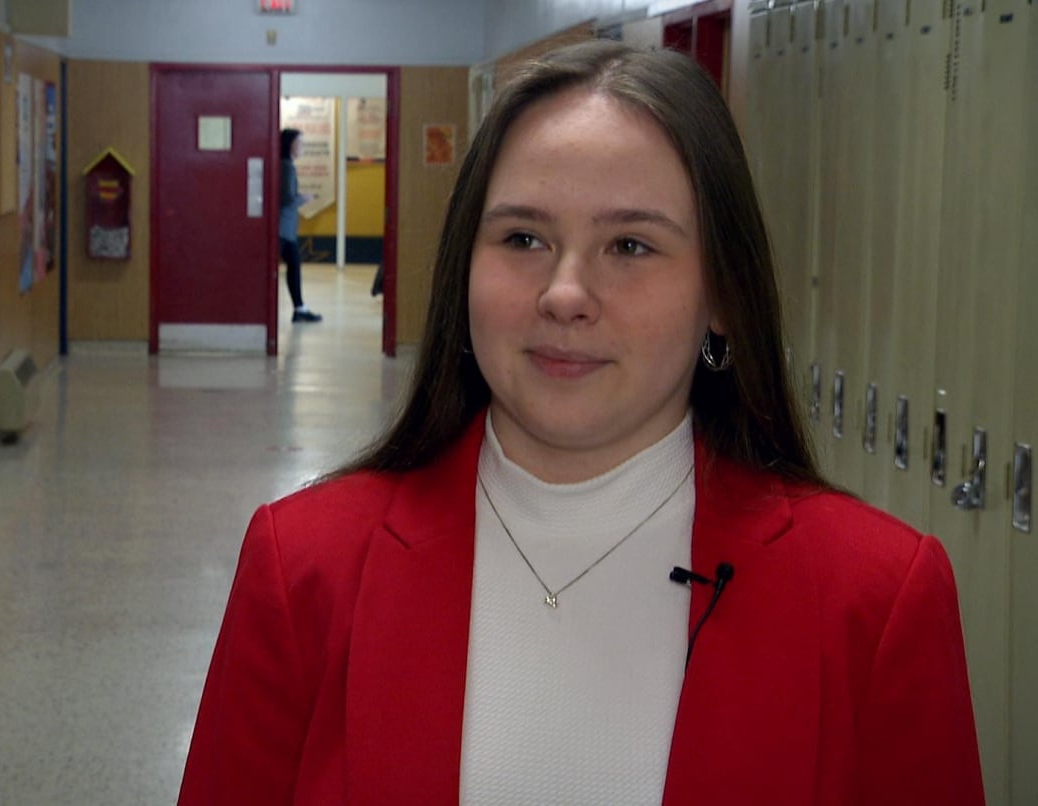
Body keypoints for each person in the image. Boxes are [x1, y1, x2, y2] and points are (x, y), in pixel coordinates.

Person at [180, 42, 983, 805]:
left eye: (630, 246)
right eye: (523, 238)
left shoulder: (875, 603)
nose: (565, 293)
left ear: (724, 298)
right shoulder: (303, 572)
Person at [280, 128, 322, 323]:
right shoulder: (287, 167)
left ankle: (300, 308)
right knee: (294, 265)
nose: (302, 147)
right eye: (300, 143)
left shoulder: (284, 165)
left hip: (285, 228)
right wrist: (303, 198)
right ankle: (299, 308)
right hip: (283, 228)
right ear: (290, 145)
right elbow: (286, 198)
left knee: (294, 265)